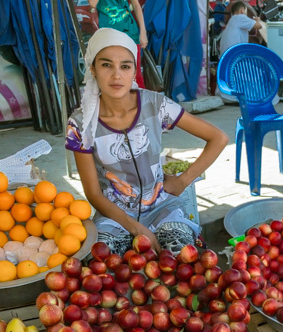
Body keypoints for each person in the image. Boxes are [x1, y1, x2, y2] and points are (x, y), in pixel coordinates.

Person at [65, 29, 228, 255]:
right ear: (92, 69)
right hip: (115, 216)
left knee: (180, 257)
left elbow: (219, 138)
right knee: (101, 263)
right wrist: (137, 229)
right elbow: (93, 193)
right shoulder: (80, 124)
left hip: (163, 207)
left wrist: (183, 181)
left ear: (134, 70)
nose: (116, 75)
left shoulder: (155, 104)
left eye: (125, 66)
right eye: (106, 65)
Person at [88, 0, 148, 88]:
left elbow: (136, 5)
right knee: (112, 72)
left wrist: (143, 32)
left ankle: (139, 100)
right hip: (109, 37)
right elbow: (92, 4)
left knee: (135, 73)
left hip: (130, 33)